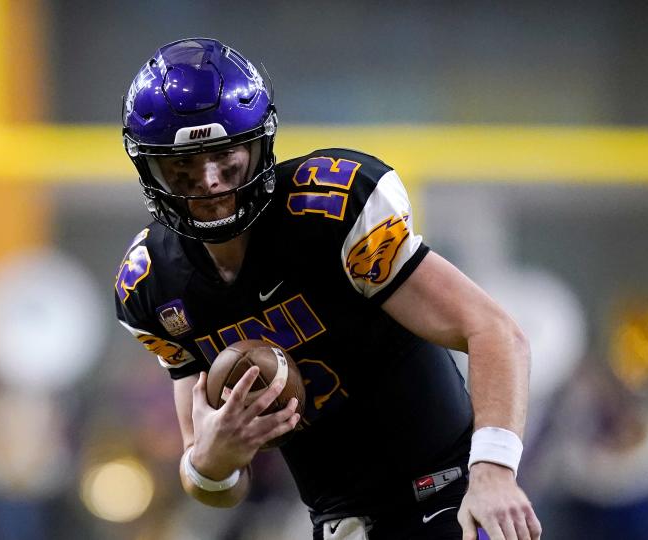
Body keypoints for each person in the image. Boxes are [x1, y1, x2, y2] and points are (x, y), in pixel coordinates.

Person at [114, 37, 541, 540]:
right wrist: (214, 458)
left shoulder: (329, 214)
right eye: (184, 168)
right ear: (151, 170)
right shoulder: (154, 284)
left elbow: (493, 330)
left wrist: (493, 473)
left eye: (226, 157)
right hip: (341, 525)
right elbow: (211, 482)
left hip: (449, 495)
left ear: (259, 145)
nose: (209, 183)